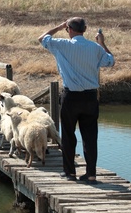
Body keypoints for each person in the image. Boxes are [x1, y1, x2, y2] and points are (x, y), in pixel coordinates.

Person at [38, 17, 114, 184]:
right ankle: (91, 174)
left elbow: (42, 38)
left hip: (71, 97)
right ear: (85, 30)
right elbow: (110, 61)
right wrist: (102, 42)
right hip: (90, 97)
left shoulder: (61, 45)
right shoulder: (95, 48)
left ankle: (69, 172)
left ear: (69, 30)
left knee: (68, 135)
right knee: (90, 136)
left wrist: (59, 26)